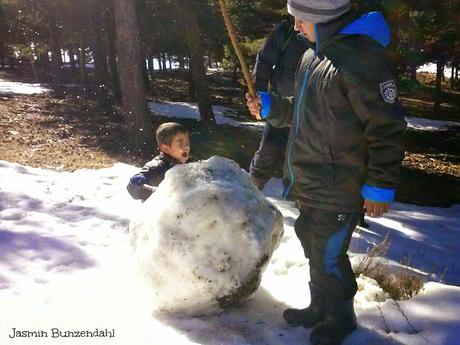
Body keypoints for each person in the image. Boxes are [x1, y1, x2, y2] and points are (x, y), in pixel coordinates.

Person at [246, 1, 407, 344]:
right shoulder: (312, 57)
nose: (295, 27)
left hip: (342, 184)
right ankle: (319, 307)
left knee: (329, 252)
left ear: (321, 17)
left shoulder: (361, 60)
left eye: (300, 19)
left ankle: (341, 316)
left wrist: (379, 186)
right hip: (313, 181)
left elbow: (386, 127)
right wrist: (273, 106)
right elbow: (303, 117)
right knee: (312, 243)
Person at [249, 17, 306, 190]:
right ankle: (249, 193)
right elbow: (264, 62)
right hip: (279, 105)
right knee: (267, 151)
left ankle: (301, 202)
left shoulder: (325, 32)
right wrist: (258, 96)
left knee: (302, 161)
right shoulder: (286, 29)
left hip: (309, 110)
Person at [127, 122, 190, 201]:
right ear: (165, 149)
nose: (187, 147)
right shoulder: (156, 168)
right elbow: (135, 193)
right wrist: (135, 185)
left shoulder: (189, 163)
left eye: (187, 142)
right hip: (161, 210)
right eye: (181, 144)